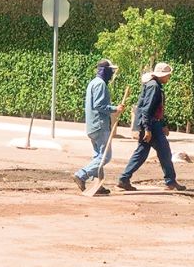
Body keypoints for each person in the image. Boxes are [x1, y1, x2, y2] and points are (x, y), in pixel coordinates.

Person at [117, 62, 186, 191]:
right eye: (168, 75)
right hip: (151, 125)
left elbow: (156, 109)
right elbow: (146, 110)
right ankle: (170, 181)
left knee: (141, 153)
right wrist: (148, 129)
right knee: (164, 152)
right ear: (161, 75)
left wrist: (163, 124)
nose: (169, 78)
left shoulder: (153, 85)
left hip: (152, 124)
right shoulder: (154, 87)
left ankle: (124, 178)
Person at [72, 59, 124, 192]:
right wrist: (115, 108)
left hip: (92, 125)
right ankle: (81, 174)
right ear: (105, 71)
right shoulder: (100, 84)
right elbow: (99, 105)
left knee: (97, 156)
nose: (112, 73)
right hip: (100, 125)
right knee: (105, 157)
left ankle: (98, 185)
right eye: (111, 71)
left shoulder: (93, 83)